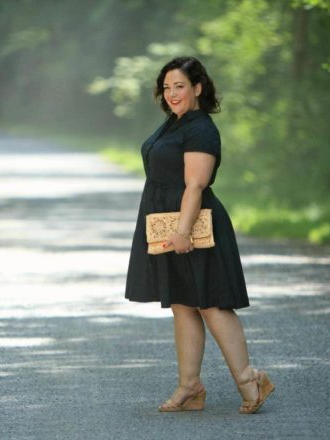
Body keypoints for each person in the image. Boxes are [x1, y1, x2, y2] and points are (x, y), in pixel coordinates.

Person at [125, 56, 275, 414]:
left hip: (195, 225)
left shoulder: (200, 129)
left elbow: (195, 183)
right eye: (166, 87)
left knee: (211, 303)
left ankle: (249, 379)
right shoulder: (174, 124)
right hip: (169, 222)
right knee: (182, 303)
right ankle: (189, 386)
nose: (172, 93)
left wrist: (181, 231)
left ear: (197, 87)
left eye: (179, 86)